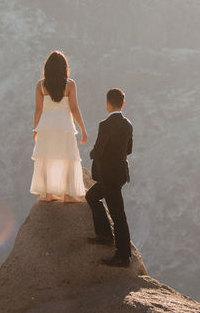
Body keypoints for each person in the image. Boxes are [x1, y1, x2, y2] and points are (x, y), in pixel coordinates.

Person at [30, 51, 88, 202]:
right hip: (64, 125)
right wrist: (82, 128)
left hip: (46, 125)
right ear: (64, 68)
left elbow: (38, 110)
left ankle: (49, 193)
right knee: (67, 156)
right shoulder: (70, 85)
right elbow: (74, 108)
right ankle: (68, 194)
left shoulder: (41, 85)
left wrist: (36, 128)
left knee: (47, 156)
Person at [85, 87, 133, 267]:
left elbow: (99, 150)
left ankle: (123, 255)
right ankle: (105, 235)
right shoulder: (128, 124)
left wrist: (92, 153)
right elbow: (129, 149)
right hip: (120, 174)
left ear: (107, 103)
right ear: (123, 103)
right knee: (92, 196)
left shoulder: (104, 125)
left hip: (108, 175)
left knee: (118, 215)